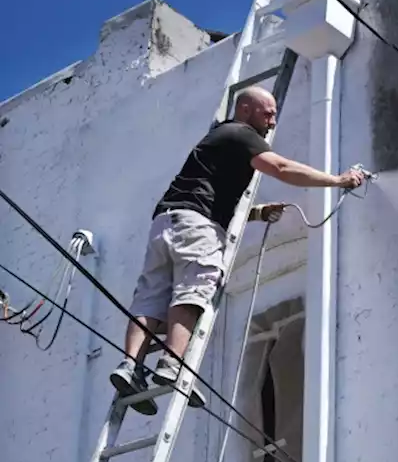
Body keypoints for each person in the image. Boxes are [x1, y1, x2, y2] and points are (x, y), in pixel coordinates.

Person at [110, 85, 366, 414]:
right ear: (244, 109)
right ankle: (171, 365)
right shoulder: (242, 133)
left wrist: (257, 213)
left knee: (150, 298)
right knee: (193, 291)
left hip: (167, 222)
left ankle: (130, 367)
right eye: (267, 113)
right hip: (196, 225)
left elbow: (210, 194)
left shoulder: (218, 137)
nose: (272, 123)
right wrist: (338, 181)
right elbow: (282, 168)